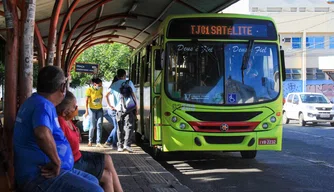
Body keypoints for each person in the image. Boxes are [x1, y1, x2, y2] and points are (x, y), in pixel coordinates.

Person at [13, 66, 103, 192]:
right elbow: (42, 134)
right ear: (62, 87)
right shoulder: (43, 105)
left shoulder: (35, 101)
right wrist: (56, 161)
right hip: (38, 176)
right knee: (95, 190)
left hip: (48, 172)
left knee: (93, 181)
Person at [56, 91, 123, 192]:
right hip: (74, 161)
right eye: (74, 107)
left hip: (77, 155)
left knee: (107, 158)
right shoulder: (60, 123)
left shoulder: (68, 119)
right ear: (65, 111)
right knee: (107, 176)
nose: (77, 109)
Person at [106, 69, 138, 152]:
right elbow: (134, 96)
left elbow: (107, 95)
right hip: (129, 108)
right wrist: (136, 108)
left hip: (118, 109)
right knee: (129, 126)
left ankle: (119, 146)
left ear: (117, 75)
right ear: (124, 75)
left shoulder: (114, 85)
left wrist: (110, 105)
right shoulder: (129, 83)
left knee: (119, 127)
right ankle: (126, 144)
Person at [84, 77, 104, 147]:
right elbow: (86, 101)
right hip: (91, 109)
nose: (100, 86)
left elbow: (102, 95)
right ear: (95, 84)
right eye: (99, 85)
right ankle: (90, 141)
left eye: (101, 85)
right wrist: (86, 111)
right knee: (92, 126)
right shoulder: (89, 90)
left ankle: (98, 142)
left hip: (99, 109)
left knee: (99, 125)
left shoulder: (101, 88)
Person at [104, 75, 119, 149]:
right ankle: (113, 143)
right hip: (112, 109)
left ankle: (109, 142)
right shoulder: (113, 87)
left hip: (115, 109)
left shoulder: (115, 87)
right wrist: (110, 105)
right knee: (117, 127)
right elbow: (106, 96)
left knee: (117, 127)